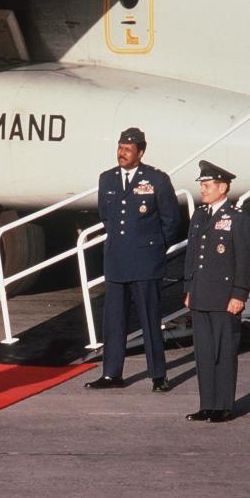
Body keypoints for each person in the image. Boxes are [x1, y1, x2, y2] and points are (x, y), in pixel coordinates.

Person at [85, 127, 180, 391]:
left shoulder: (156, 180)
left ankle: (158, 374)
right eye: (120, 148)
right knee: (113, 320)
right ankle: (112, 374)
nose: (122, 153)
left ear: (140, 151)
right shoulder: (107, 179)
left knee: (150, 319)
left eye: (128, 149)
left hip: (146, 261)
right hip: (116, 259)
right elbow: (107, 216)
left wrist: (155, 249)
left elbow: (171, 221)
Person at [181, 161, 250, 423]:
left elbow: (245, 260)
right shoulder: (199, 215)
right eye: (201, 185)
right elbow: (192, 255)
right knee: (203, 353)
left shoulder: (237, 218)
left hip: (225, 297)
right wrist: (189, 288)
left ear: (222, 187)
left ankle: (223, 406)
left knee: (223, 352)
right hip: (201, 294)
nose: (202, 189)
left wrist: (239, 294)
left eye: (207, 185)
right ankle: (207, 405)